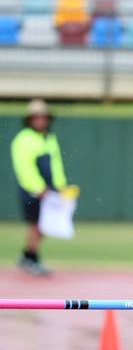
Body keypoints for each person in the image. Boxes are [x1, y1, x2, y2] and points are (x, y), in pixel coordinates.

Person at [10, 99, 68, 276]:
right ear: (29, 119)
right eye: (37, 117)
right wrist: (37, 187)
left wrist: (60, 186)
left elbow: (56, 164)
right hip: (33, 191)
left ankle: (27, 256)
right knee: (35, 226)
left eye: (43, 117)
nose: (40, 121)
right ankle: (31, 259)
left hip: (50, 190)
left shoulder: (49, 138)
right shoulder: (23, 139)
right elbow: (24, 167)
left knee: (44, 225)